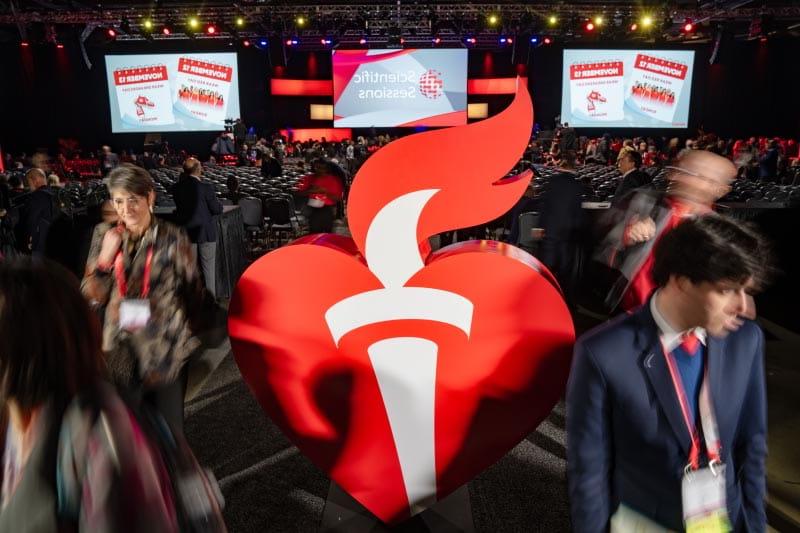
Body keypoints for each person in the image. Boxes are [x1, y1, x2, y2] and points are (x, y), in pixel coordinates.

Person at [567, 215, 771, 532]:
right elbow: (589, 471)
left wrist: (755, 524)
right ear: (681, 281)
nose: (745, 308)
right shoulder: (602, 353)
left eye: (747, 291)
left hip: (725, 518)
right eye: (729, 290)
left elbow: (752, 447)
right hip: (646, 520)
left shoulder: (746, 340)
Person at [0, 257, 178, 531]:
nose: (124, 210)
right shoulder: (15, 420)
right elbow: (93, 285)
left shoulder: (99, 432)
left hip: (137, 351)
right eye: (119, 208)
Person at [81, 164, 202, 434]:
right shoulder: (104, 235)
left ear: (150, 197)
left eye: (133, 200)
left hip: (164, 349)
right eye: (119, 201)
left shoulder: (173, 236)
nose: (125, 209)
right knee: (128, 436)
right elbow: (90, 294)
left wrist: (188, 328)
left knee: (171, 434)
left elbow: (192, 288)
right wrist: (104, 261)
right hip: (120, 350)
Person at [596, 150, 737, 312]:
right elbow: (602, 234)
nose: (681, 178)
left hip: (682, 319)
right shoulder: (644, 200)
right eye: (683, 171)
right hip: (632, 310)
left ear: (719, 189)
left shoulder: (721, 232)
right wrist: (628, 230)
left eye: (699, 176)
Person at [536, 150, 589, 305]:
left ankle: (543, 301)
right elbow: (578, 213)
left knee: (546, 272)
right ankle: (562, 304)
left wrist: (540, 227)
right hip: (568, 236)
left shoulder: (552, 182)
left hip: (550, 233)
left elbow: (545, 207)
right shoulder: (578, 185)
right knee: (565, 274)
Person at [172, 157, 223, 299]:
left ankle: (192, 301)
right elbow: (216, 209)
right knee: (209, 271)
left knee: (190, 271)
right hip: (205, 233)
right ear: (199, 169)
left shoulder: (176, 189)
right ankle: (211, 302)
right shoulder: (206, 188)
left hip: (187, 234)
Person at [13, 168, 56, 256]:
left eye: (27, 181)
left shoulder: (35, 197)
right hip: (55, 245)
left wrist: (26, 244)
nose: (27, 185)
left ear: (34, 180)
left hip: (39, 247)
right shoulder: (56, 193)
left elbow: (30, 222)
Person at [297, 159, 344, 234]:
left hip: (327, 210)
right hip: (312, 210)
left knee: (327, 236)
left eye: (321, 168)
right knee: (314, 235)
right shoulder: (309, 178)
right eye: (316, 167)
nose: (318, 170)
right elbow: (299, 193)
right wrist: (311, 190)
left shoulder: (333, 180)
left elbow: (338, 198)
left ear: (326, 169)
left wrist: (325, 192)